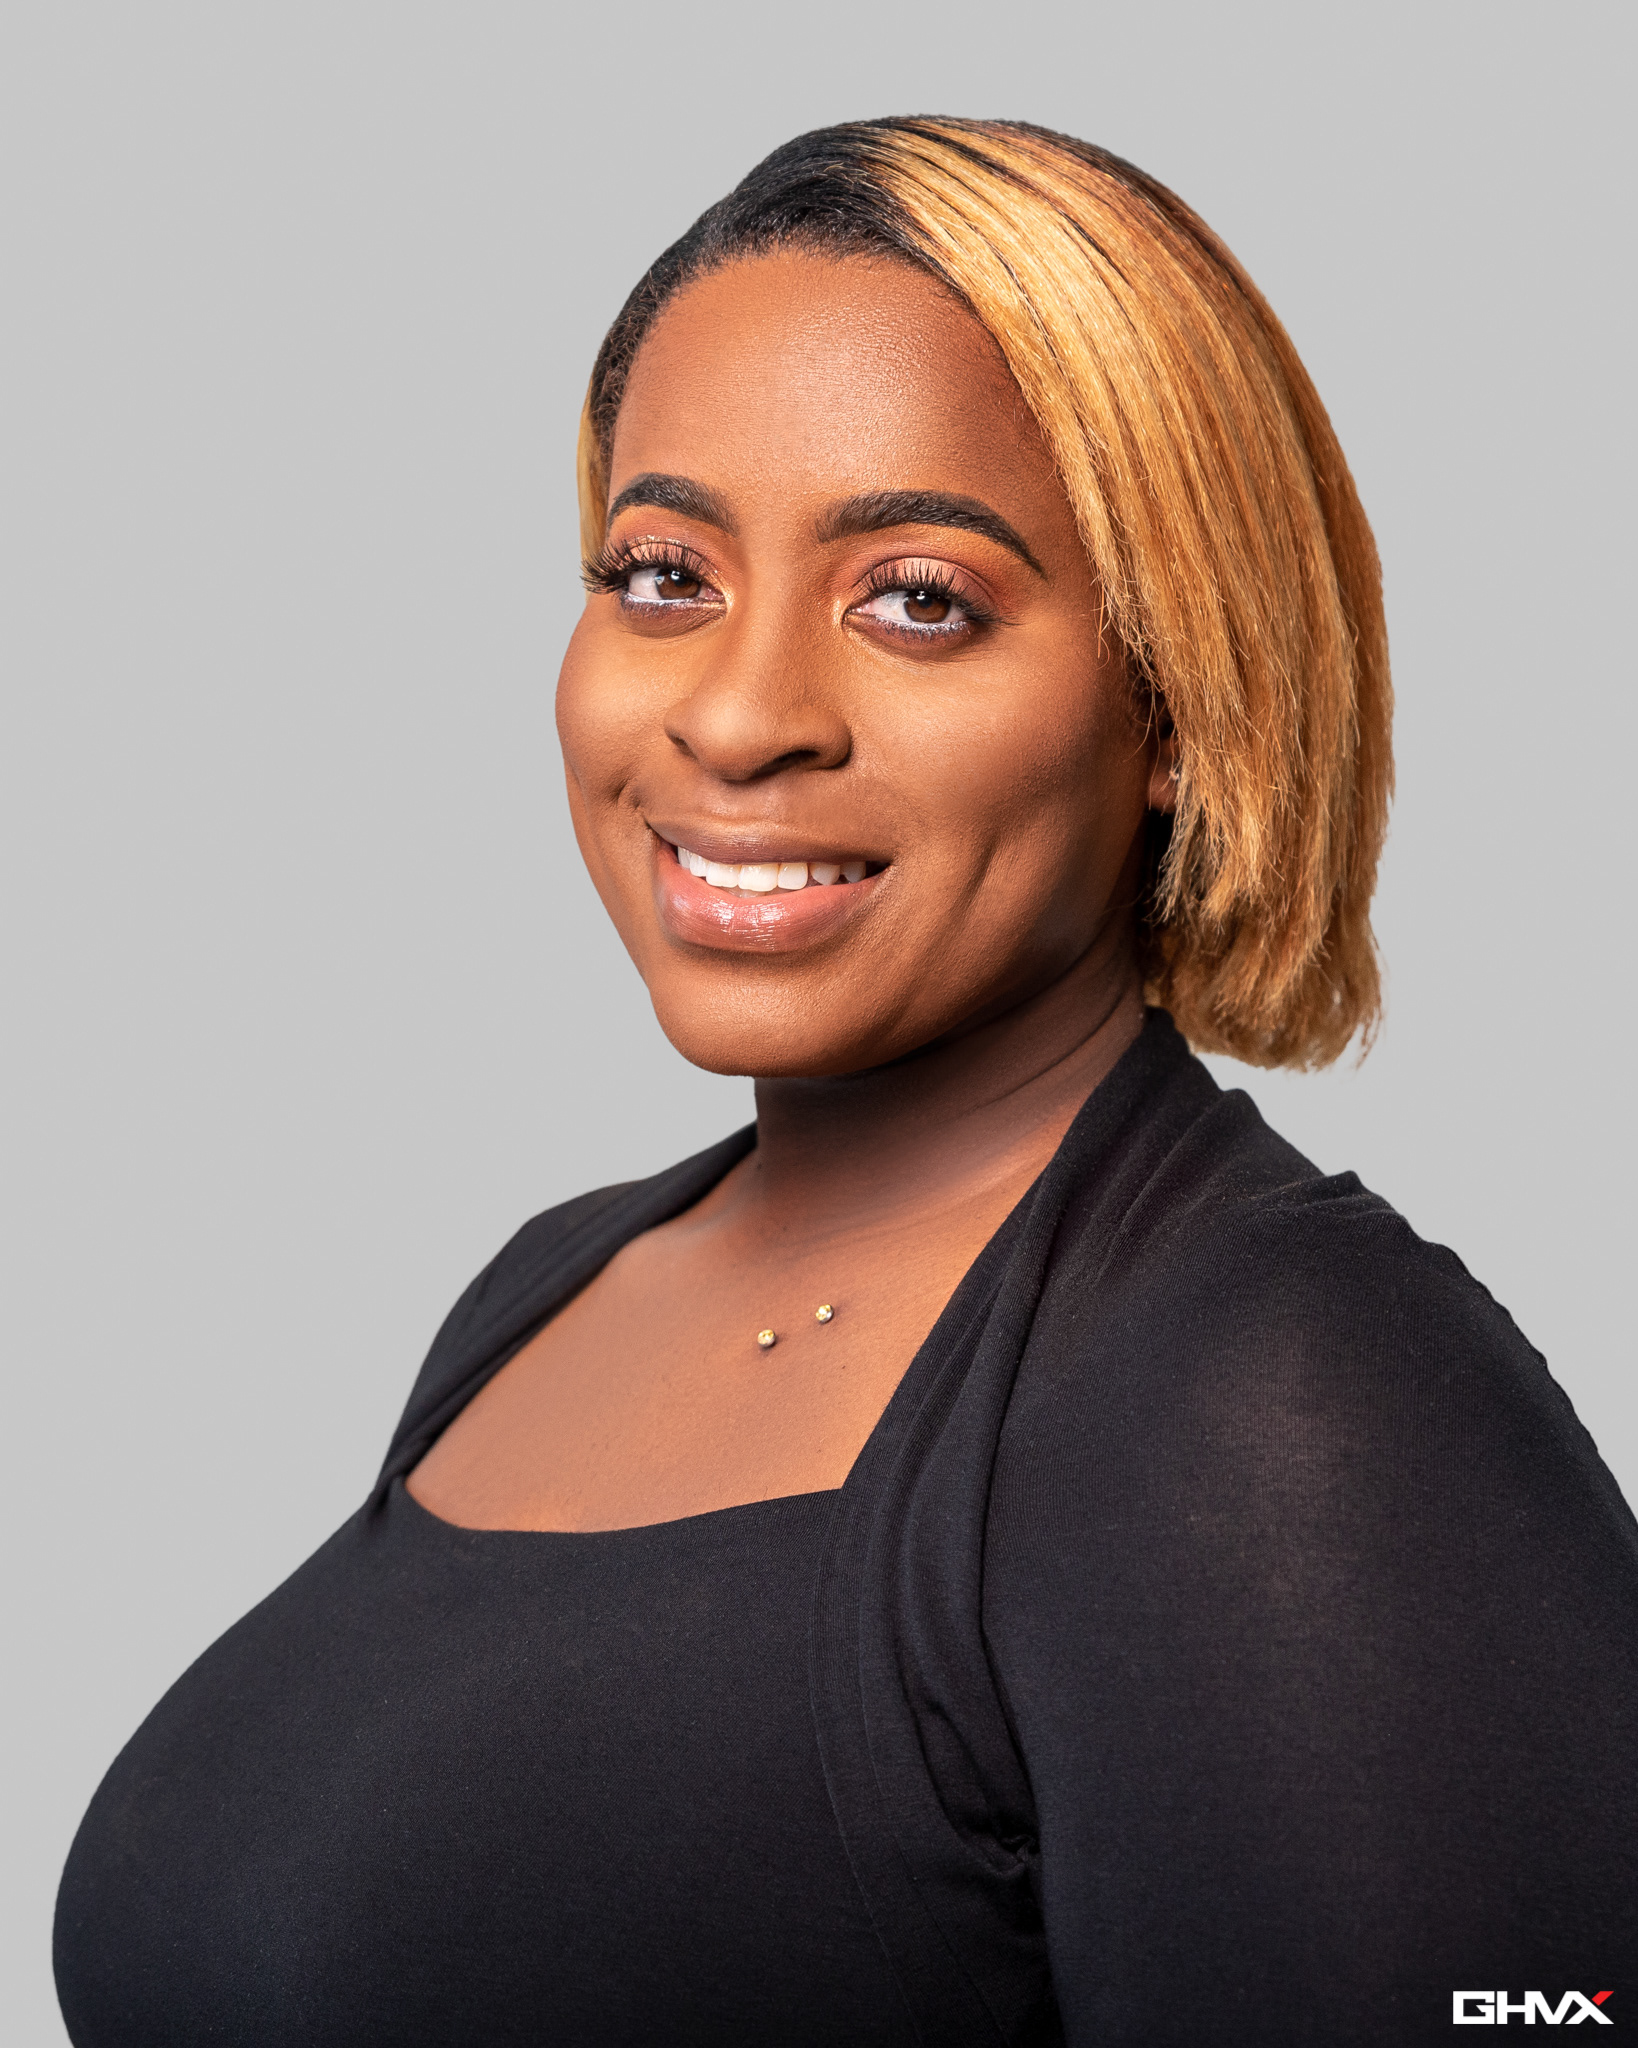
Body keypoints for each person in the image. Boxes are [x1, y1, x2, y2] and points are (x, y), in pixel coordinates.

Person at [53, 117, 1638, 2046]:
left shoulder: (1286, 1394)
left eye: (918, 599)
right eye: (662, 573)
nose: (736, 716)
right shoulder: (551, 1286)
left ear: (1175, 700)